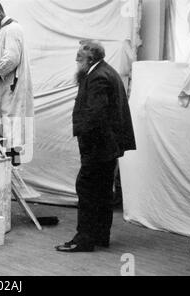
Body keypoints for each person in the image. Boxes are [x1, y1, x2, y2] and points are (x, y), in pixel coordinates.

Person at [56, 40, 136, 253]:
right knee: (102, 191)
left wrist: (86, 140)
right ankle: (100, 236)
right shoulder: (106, 72)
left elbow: (95, 114)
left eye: (79, 57)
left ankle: (84, 239)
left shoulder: (98, 76)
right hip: (107, 146)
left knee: (87, 189)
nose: (76, 60)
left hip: (98, 146)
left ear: (90, 59)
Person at [0, 0, 34, 166]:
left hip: (12, 89)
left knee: (12, 129)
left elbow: (11, 58)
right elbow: (5, 55)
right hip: (6, 88)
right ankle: (8, 168)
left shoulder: (12, 29)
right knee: (6, 129)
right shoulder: (4, 31)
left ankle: (12, 167)